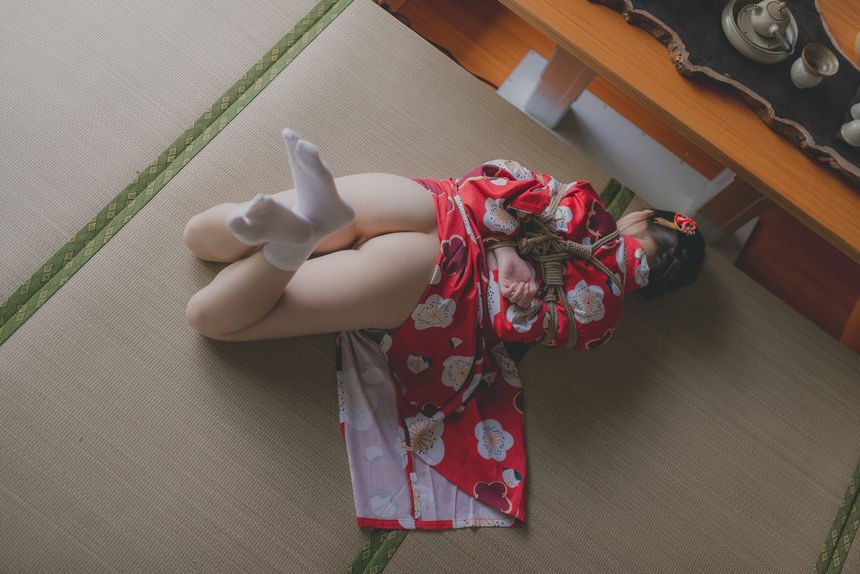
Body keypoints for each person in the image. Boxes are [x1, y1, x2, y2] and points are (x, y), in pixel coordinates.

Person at [182, 129, 706, 529]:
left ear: (641, 219)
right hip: (431, 283)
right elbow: (513, 319)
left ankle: (305, 219)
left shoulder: (584, 203)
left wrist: (503, 247)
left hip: (428, 204)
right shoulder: (602, 316)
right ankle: (289, 249)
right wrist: (513, 278)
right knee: (210, 318)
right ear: (654, 286)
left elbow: (499, 175)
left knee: (198, 238)